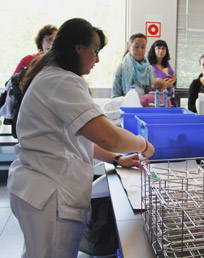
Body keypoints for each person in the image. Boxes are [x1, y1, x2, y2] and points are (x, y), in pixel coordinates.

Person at [7, 18, 154, 258]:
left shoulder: (51, 76)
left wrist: (117, 159)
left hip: (38, 189)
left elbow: (80, 138)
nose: (97, 59)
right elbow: (107, 136)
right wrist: (143, 144)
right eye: (95, 51)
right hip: (49, 195)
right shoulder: (62, 80)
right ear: (78, 48)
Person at [112, 33, 155, 98]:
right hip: (125, 106)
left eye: (143, 47)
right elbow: (115, 97)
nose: (140, 50)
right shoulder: (121, 69)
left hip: (145, 107)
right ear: (129, 47)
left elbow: (153, 95)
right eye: (136, 46)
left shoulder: (150, 69)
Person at [147, 40, 177, 106]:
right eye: (158, 48)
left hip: (170, 98)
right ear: (153, 49)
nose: (161, 51)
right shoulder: (149, 66)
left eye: (163, 48)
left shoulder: (167, 64)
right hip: (157, 100)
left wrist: (174, 80)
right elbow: (149, 85)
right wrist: (163, 84)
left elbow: (172, 79)